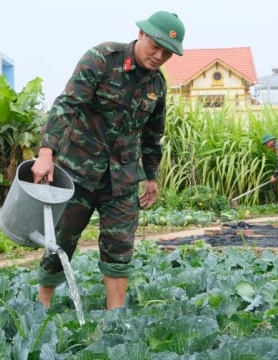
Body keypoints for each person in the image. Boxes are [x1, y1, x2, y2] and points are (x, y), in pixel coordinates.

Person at [30, 10, 186, 310]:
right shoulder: (102, 58)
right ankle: (42, 306)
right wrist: (46, 153)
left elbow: (153, 135)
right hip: (78, 172)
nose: (159, 56)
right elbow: (67, 104)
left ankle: (116, 316)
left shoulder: (157, 86)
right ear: (141, 34)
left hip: (123, 179)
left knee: (120, 247)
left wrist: (151, 176)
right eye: (156, 46)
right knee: (60, 240)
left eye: (167, 53)